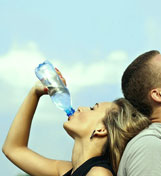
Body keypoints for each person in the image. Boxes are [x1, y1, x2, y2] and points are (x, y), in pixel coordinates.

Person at [2, 69, 150, 176]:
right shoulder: (67, 170)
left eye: (93, 108)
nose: (80, 108)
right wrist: (35, 92)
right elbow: (13, 149)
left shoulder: (99, 173)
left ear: (101, 129)